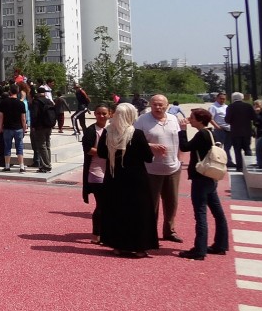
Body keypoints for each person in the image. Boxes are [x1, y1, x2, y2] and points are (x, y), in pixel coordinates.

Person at [97, 103, 157, 257]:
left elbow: (102, 153)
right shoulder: (136, 134)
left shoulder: (108, 132)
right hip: (136, 179)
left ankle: (117, 245)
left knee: (116, 210)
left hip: (114, 176)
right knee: (139, 212)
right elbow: (148, 158)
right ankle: (139, 247)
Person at [176, 108, 229, 260]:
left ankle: (199, 250)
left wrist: (183, 130)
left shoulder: (201, 134)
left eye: (192, 117)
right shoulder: (211, 133)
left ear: (199, 120)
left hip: (200, 178)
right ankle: (220, 244)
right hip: (211, 177)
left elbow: (185, 147)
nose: (190, 119)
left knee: (200, 214)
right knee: (218, 213)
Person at [135, 94, 183, 243]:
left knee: (172, 202)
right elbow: (134, 141)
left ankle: (169, 230)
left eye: (161, 104)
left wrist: (179, 159)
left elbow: (179, 140)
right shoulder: (142, 120)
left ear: (167, 105)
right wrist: (151, 146)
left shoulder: (173, 119)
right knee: (151, 204)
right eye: (155, 104)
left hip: (173, 168)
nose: (158, 107)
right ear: (150, 105)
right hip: (151, 169)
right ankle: (150, 233)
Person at [82, 104, 110, 244]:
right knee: (102, 204)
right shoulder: (91, 130)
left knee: (108, 204)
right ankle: (96, 234)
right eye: (99, 113)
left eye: (104, 113)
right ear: (95, 114)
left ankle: (106, 232)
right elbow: (87, 149)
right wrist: (106, 153)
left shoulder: (111, 129)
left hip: (109, 171)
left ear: (109, 114)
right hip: (95, 171)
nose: (101, 116)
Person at [0, 83, 27, 172]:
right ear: (18, 92)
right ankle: (21, 166)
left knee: (7, 147)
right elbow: (23, 118)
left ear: (10, 91)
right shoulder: (21, 103)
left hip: (7, 128)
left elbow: (1, 116)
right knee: (19, 147)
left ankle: (7, 166)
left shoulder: (4, 102)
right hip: (18, 128)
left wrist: (0, 127)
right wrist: (24, 128)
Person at [226, 92, 256, 172]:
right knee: (247, 149)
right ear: (242, 98)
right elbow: (253, 117)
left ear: (233, 98)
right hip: (247, 131)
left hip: (235, 132)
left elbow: (227, 120)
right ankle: (249, 167)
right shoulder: (248, 106)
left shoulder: (230, 107)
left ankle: (239, 167)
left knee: (237, 150)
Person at [208, 92, 231, 165]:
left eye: (224, 99)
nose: (222, 100)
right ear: (217, 98)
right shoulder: (213, 107)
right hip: (220, 130)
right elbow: (210, 118)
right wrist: (217, 126)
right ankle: (217, 162)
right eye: (220, 98)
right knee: (218, 147)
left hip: (228, 129)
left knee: (228, 147)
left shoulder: (226, 107)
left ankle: (228, 161)